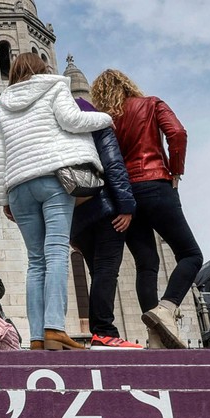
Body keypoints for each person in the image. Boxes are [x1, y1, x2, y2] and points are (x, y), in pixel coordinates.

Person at [0, 55, 115, 350]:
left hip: (18, 188)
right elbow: (72, 120)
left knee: (35, 262)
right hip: (51, 178)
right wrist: (107, 116)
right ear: (41, 69)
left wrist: (4, 198)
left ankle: (37, 337)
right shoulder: (54, 86)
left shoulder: (2, 104)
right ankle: (55, 328)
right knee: (57, 252)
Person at [90, 68, 203, 349]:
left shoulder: (104, 120)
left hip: (123, 196)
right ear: (128, 84)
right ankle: (166, 308)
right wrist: (176, 170)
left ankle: (155, 336)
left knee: (146, 264)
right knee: (190, 255)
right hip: (155, 184)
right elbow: (177, 133)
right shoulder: (151, 104)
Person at [67, 91, 138, 348]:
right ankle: (104, 332)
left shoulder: (54, 126)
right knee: (106, 270)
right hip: (105, 208)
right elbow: (112, 162)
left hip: (76, 215)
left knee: (98, 272)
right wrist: (126, 206)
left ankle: (101, 331)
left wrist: (70, 231)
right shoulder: (95, 118)